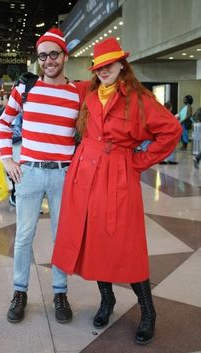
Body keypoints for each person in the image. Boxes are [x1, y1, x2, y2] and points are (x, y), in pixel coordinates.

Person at [52, 37, 182, 345]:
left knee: (127, 245)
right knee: (95, 241)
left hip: (118, 177)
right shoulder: (89, 93)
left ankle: (148, 311)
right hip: (84, 176)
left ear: (122, 64)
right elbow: (56, 87)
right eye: (99, 66)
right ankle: (107, 299)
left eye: (109, 64)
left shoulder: (139, 99)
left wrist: (139, 161)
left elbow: (171, 130)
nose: (104, 70)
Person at [0, 28, 87, 324]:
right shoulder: (26, 89)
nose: (48, 60)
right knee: (24, 237)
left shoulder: (77, 93)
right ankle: (19, 291)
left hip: (64, 176)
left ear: (65, 55)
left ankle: (60, 292)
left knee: (61, 237)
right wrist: (6, 158)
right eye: (42, 55)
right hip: (30, 174)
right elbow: (4, 121)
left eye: (54, 54)